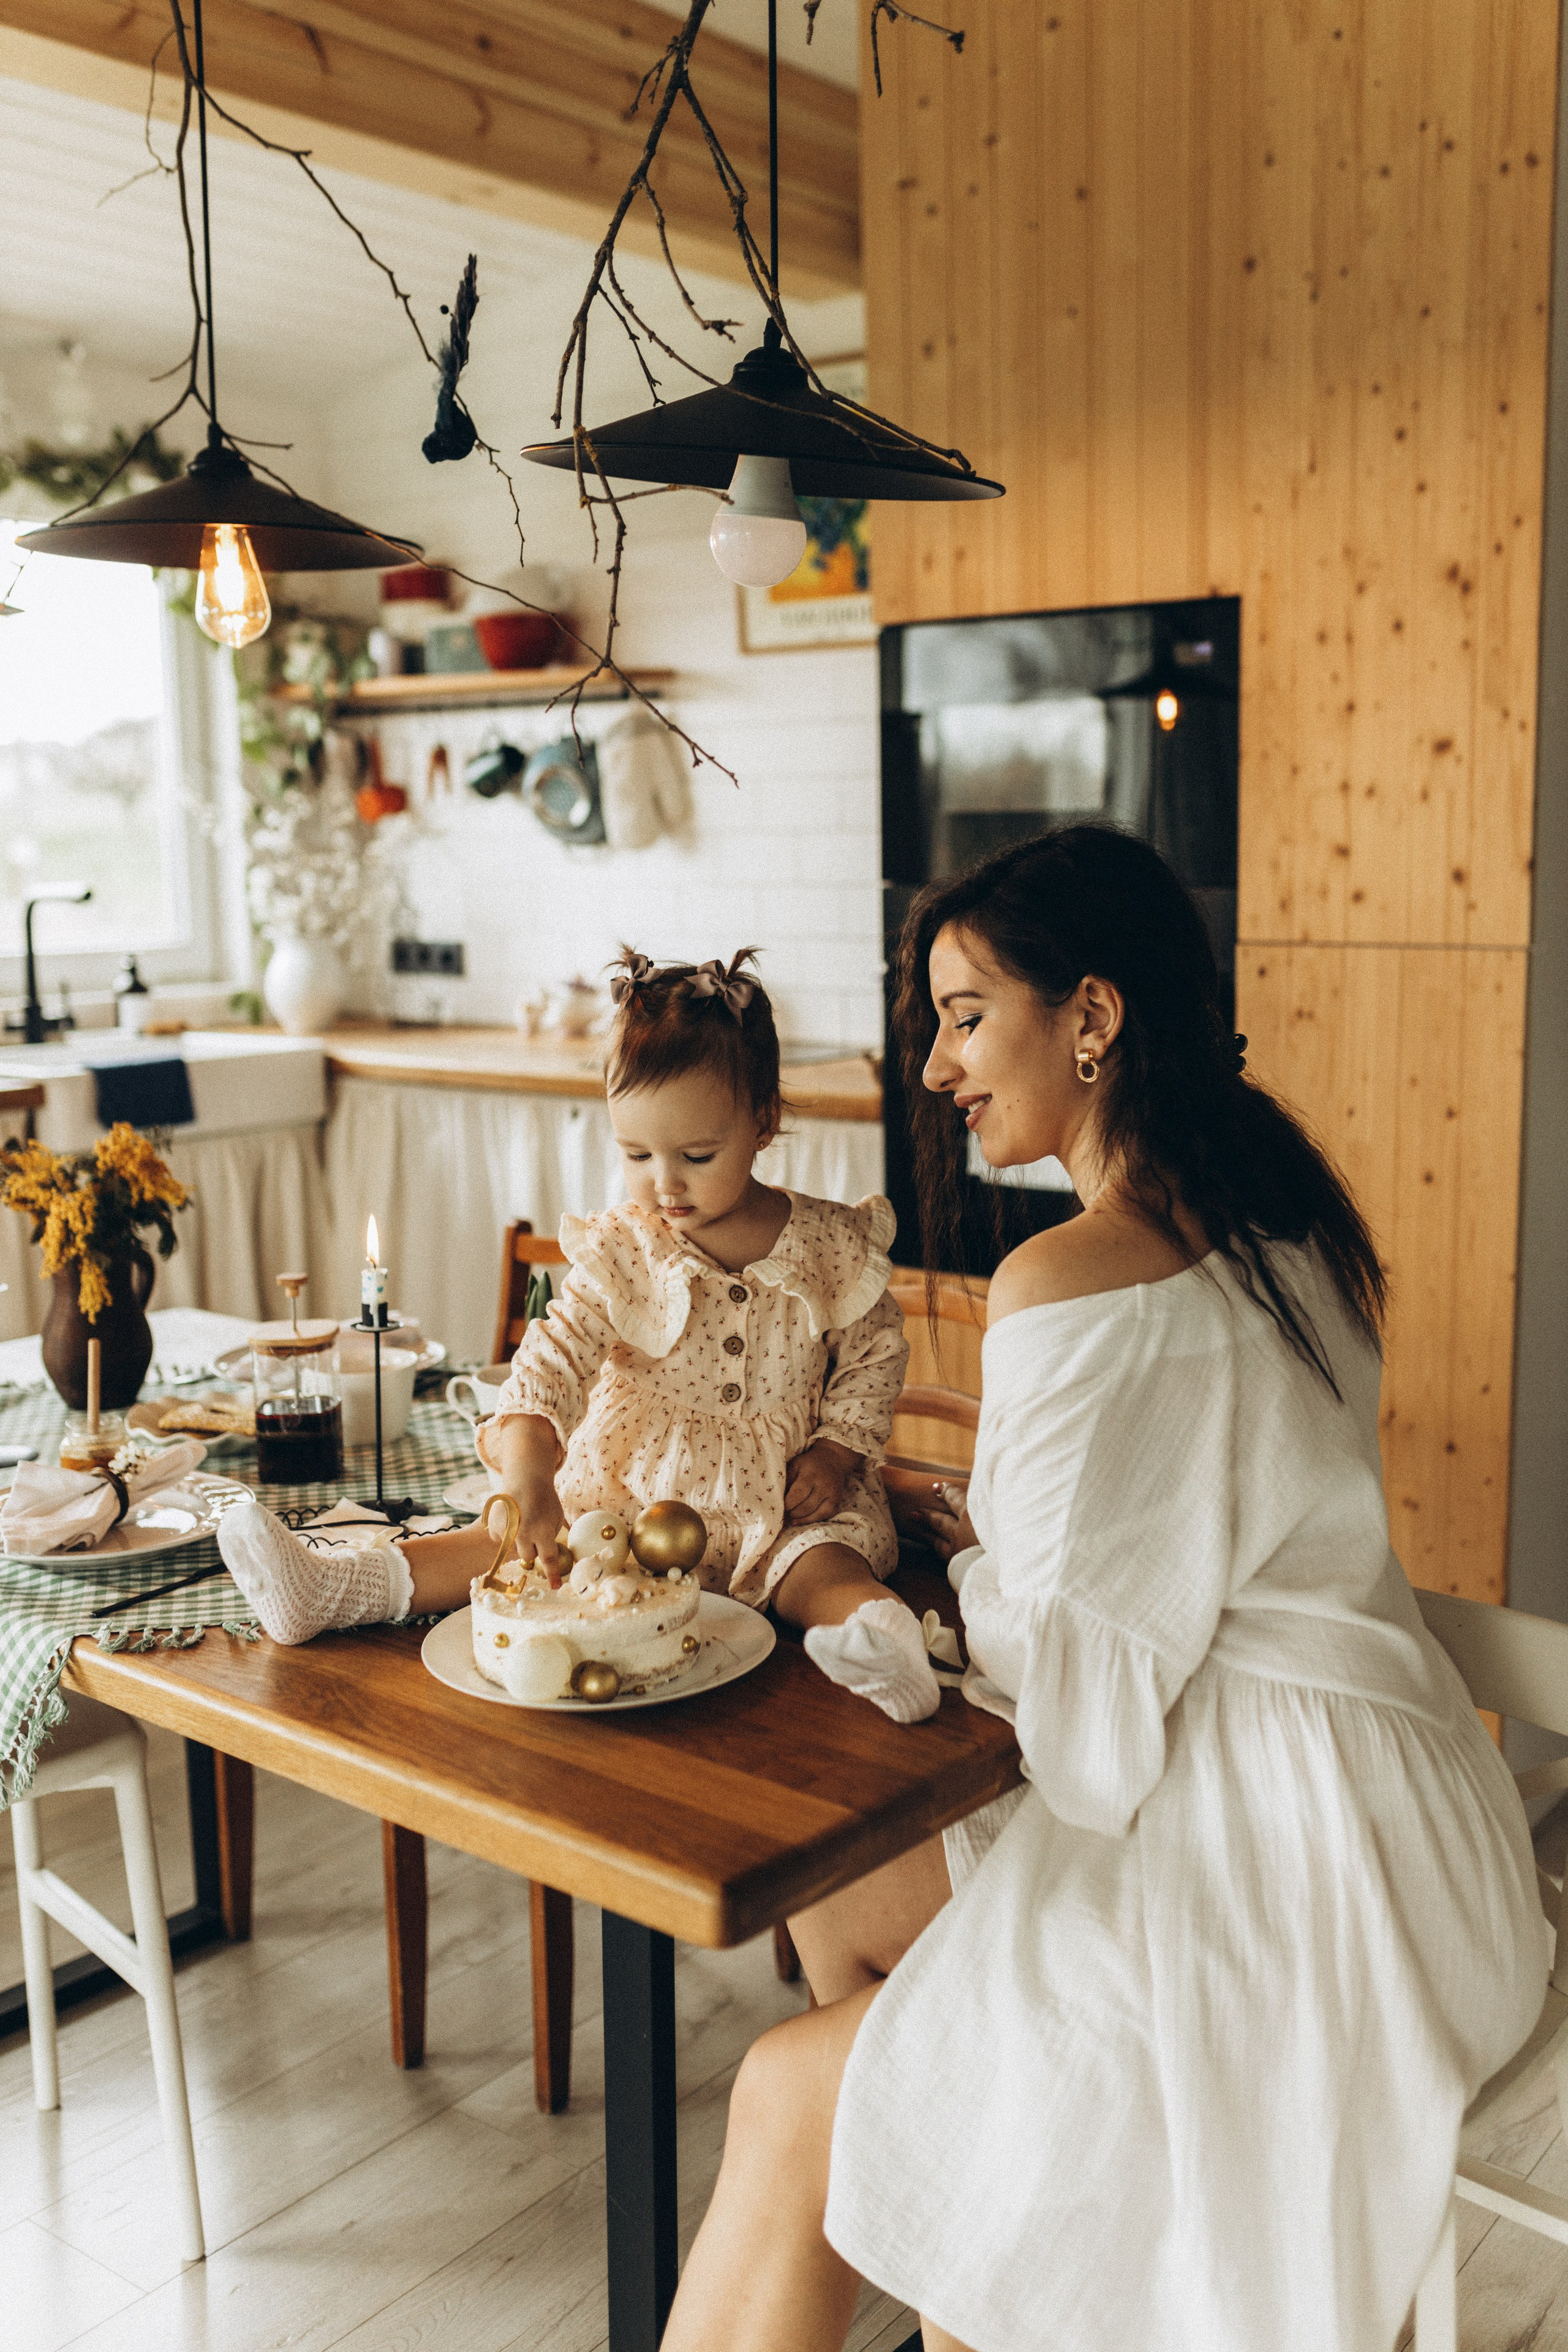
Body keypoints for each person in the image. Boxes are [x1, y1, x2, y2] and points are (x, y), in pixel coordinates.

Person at [661, 827, 1545, 2352]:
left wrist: (971, 1568)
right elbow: (1178, 1530)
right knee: (839, 1902)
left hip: (1285, 1868)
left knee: (785, 2090)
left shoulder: (1068, 1278)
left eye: (959, 1013)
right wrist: (995, 1539)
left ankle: (982, 2238)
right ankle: (988, 2281)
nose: (935, 1066)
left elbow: (1079, 1724)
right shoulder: (1287, 1228)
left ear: (1090, 1014)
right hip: (1422, 1829)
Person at [217, 946, 950, 1733]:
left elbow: (876, 1357)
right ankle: (333, 1590)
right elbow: (549, 1366)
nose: (663, 1184)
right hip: (626, 1498)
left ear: (764, 1122)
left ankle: (886, 1648)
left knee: (821, 1572)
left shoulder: (831, 1247)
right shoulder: (625, 1254)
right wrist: (530, 1481)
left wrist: (839, 1452)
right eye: (636, 1155)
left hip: (782, 1503)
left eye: (695, 1157)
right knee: (505, 1541)